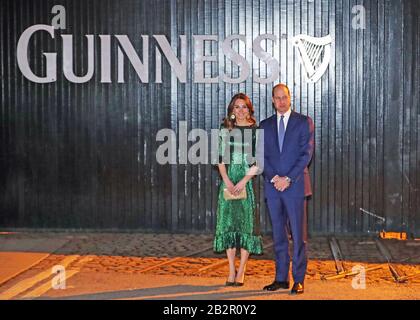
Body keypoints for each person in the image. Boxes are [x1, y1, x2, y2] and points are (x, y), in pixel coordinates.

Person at [258, 84, 314, 295]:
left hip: (295, 187)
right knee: (278, 235)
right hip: (273, 188)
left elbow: (306, 154)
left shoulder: (303, 122)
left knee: (299, 236)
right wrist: (274, 178)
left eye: (285, 97)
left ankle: (298, 279)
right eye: (277, 98)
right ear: (272, 100)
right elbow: (260, 156)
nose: (281, 101)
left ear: (290, 98)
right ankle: (281, 278)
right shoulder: (264, 125)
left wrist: (288, 178)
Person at [213, 93, 263, 287]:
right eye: (237, 107)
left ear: (249, 109)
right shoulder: (225, 128)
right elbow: (220, 158)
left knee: (245, 225)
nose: (240, 111)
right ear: (232, 110)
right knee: (228, 225)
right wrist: (226, 180)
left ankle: (242, 270)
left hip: (246, 181)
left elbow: (258, 162)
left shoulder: (255, 130)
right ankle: (231, 270)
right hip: (228, 181)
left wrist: (243, 181)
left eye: (244, 107)